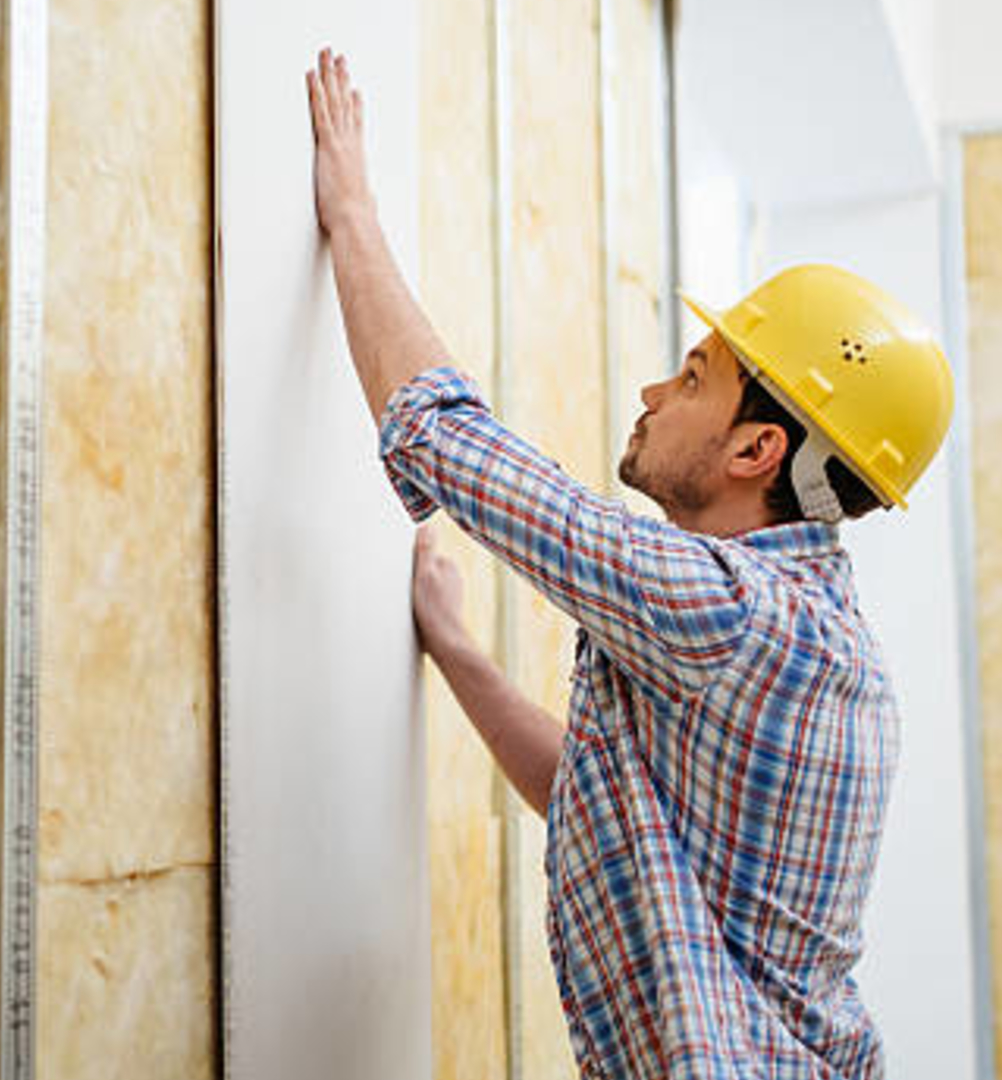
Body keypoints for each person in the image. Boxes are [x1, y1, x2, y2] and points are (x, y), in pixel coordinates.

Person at [304, 47, 954, 1079]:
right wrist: (461, 653)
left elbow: (448, 441)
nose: (655, 390)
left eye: (695, 377)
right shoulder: (801, 630)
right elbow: (597, 800)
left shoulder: (730, 616)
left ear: (756, 452)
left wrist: (351, 214)